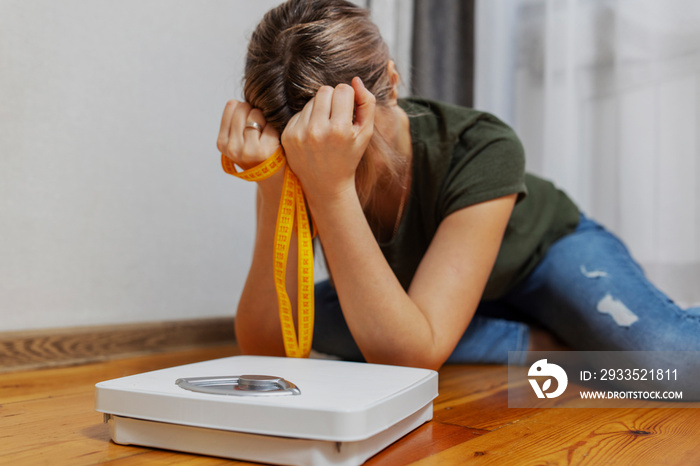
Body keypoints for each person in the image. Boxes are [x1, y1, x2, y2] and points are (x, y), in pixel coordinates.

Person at [217, 0, 700, 371]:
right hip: (428, 293)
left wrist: (332, 189)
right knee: (321, 321)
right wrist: (277, 183)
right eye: (301, 147)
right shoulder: (300, 156)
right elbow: (265, 346)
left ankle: (536, 328)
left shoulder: (481, 144)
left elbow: (410, 357)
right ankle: (537, 342)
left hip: (543, 256)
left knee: (671, 363)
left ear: (392, 81)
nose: (319, 155)